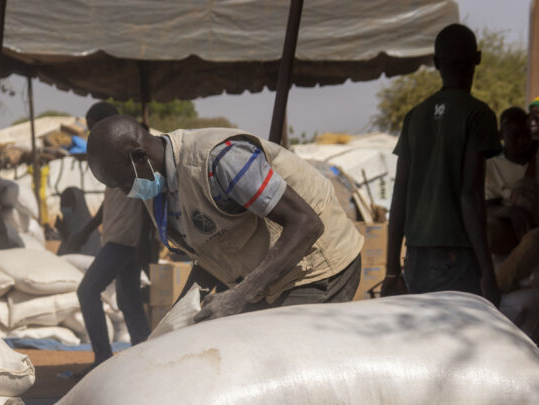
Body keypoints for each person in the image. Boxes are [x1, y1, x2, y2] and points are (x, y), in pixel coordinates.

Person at [86, 115, 363, 324]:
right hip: (269, 276)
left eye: (123, 182)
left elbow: (306, 224)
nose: (126, 192)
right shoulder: (156, 184)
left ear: (139, 156)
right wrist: (179, 315)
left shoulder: (221, 160)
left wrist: (240, 296)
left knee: (280, 362)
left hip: (318, 267)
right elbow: (212, 251)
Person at [382, 24, 502, 304]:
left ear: (436, 63)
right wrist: (487, 272)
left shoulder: (414, 117)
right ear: (478, 59)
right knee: (460, 340)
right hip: (456, 257)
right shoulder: (478, 114)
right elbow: (471, 197)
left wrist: (391, 271)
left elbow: (399, 195)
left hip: (416, 258)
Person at [66, 101, 151, 371]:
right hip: (119, 234)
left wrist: (146, 240)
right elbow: (110, 199)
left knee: (88, 290)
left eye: (94, 129)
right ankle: (146, 358)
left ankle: (102, 359)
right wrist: (86, 230)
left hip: (126, 237)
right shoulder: (112, 151)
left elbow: (149, 195)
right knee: (128, 299)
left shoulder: (133, 148)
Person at [485, 107, 536, 257]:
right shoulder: (491, 165)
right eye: (515, 136)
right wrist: (510, 212)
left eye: (526, 134)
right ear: (502, 135)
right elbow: (488, 207)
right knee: (489, 229)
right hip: (511, 227)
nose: (522, 141)